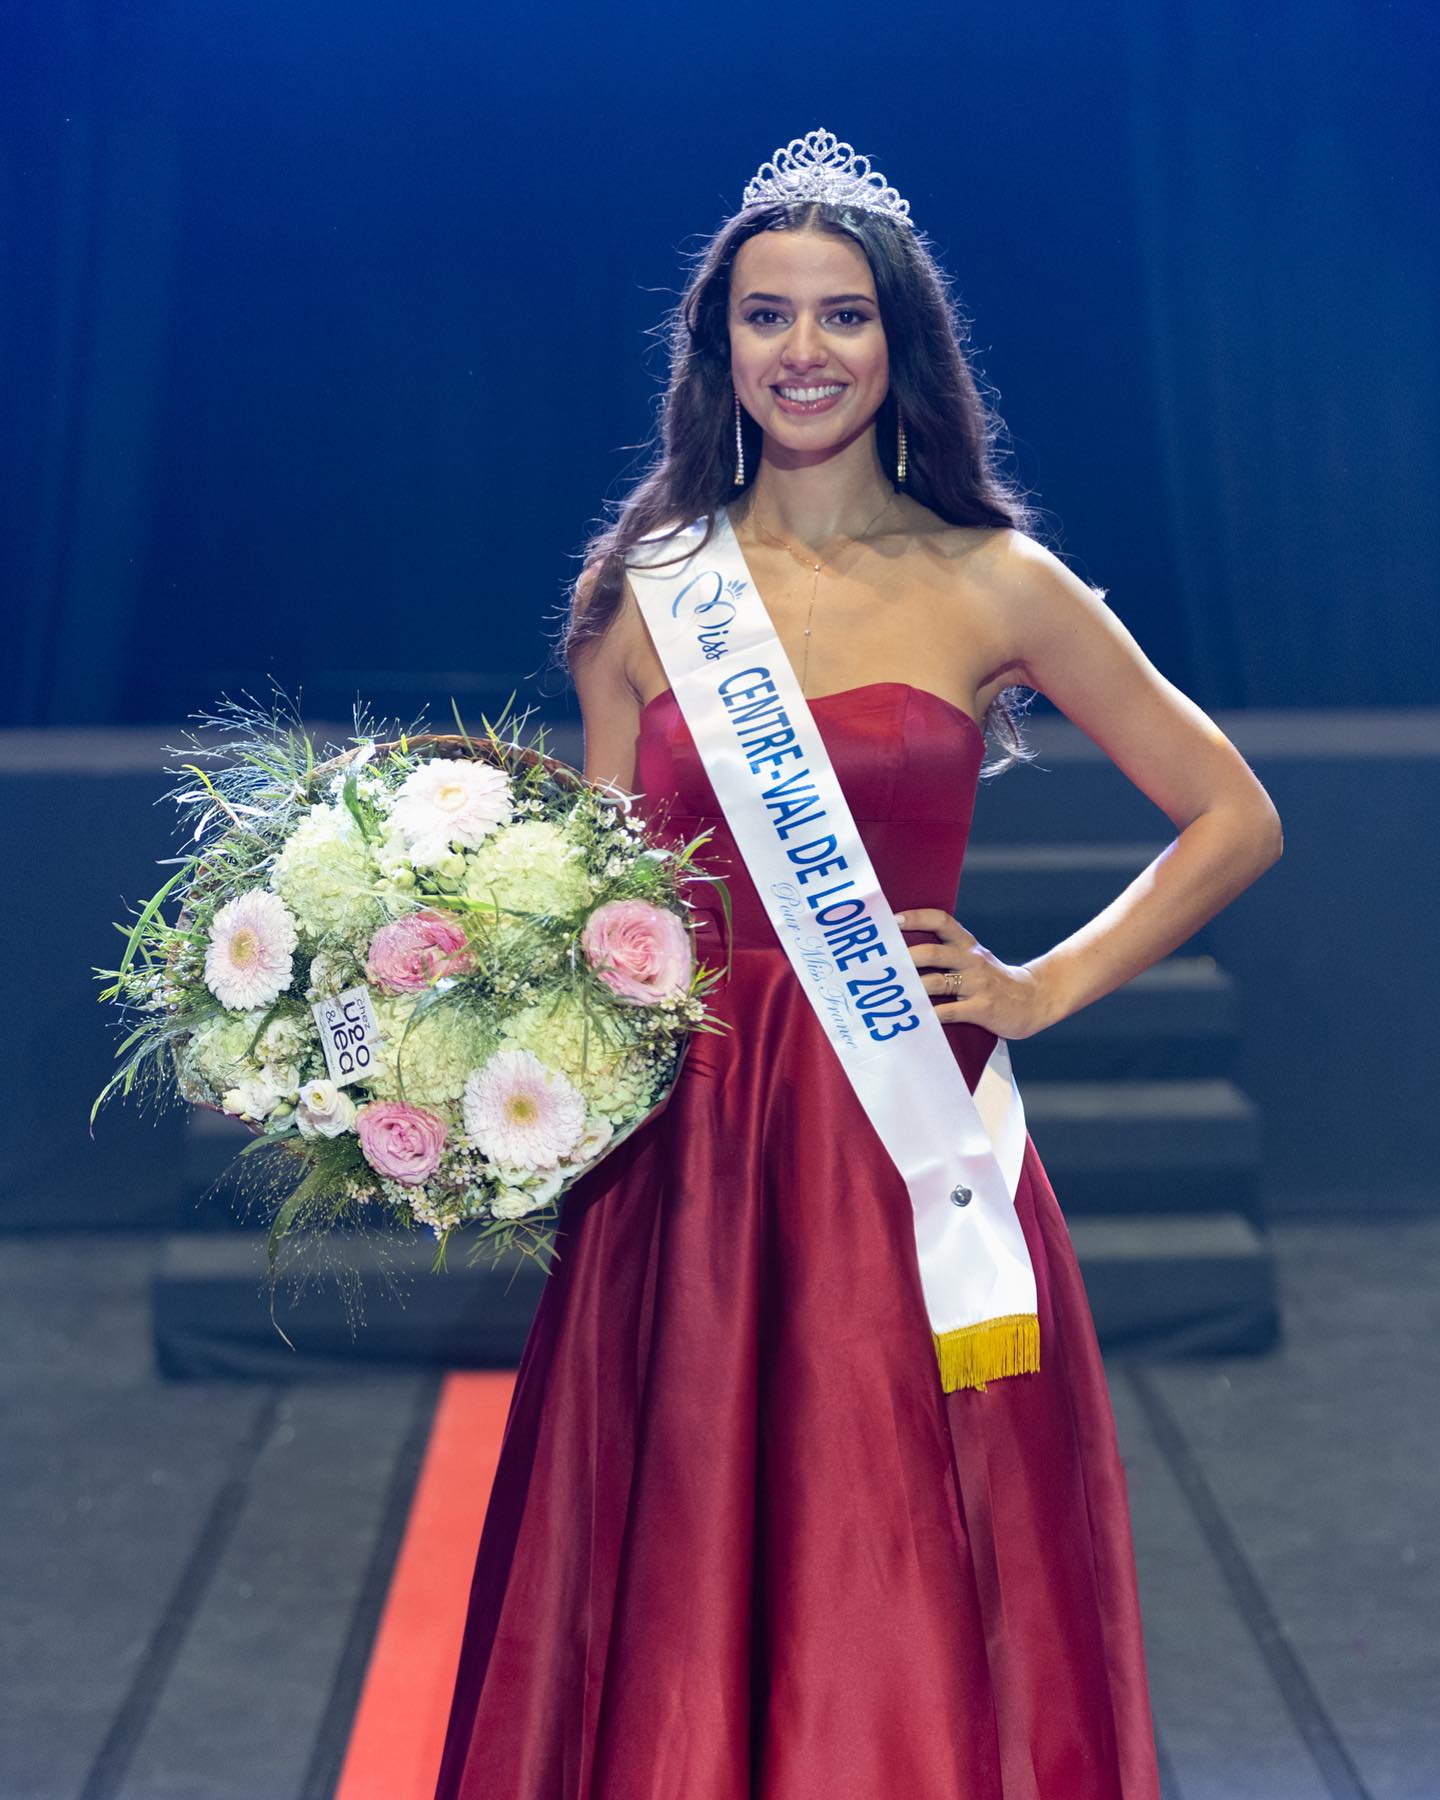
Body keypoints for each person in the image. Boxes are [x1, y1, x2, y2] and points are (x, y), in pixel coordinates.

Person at [433, 128, 1283, 1799]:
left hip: (900, 1136)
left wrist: (1043, 986)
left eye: (843, 314)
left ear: (902, 341)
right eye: (767, 316)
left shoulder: (997, 581)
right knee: (676, 1537)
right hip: (686, 1141)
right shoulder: (644, 594)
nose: (804, 351)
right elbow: (599, 899)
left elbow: (1234, 816)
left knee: (888, 1530)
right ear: (719, 346)